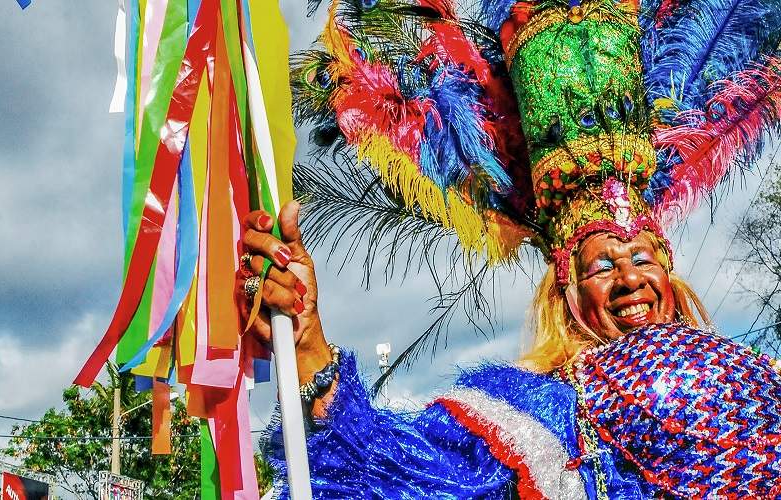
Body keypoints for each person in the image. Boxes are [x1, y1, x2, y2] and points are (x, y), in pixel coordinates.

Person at [235, 0, 781, 496]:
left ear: (669, 275)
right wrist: (308, 345)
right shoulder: (537, 415)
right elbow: (392, 467)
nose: (630, 279)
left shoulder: (762, 381)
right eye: (603, 266)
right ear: (566, 294)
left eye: (641, 259)